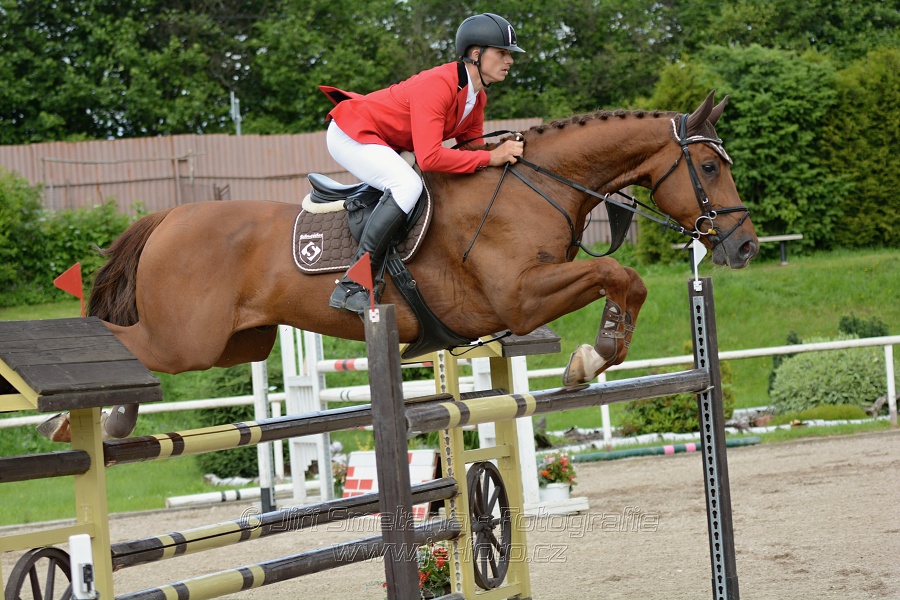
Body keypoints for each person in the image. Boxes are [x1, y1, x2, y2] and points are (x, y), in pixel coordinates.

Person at [321, 12, 526, 315]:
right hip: (351, 132)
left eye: (510, 54)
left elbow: (471, 149)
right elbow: (430, 158)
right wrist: (491, 156)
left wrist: (502, 152)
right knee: (407, 185)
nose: (509, 60)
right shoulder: (438, 84)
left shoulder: (476, 99)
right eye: (502, 52)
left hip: (385, 141)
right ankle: (353, 284)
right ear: (476, 54)